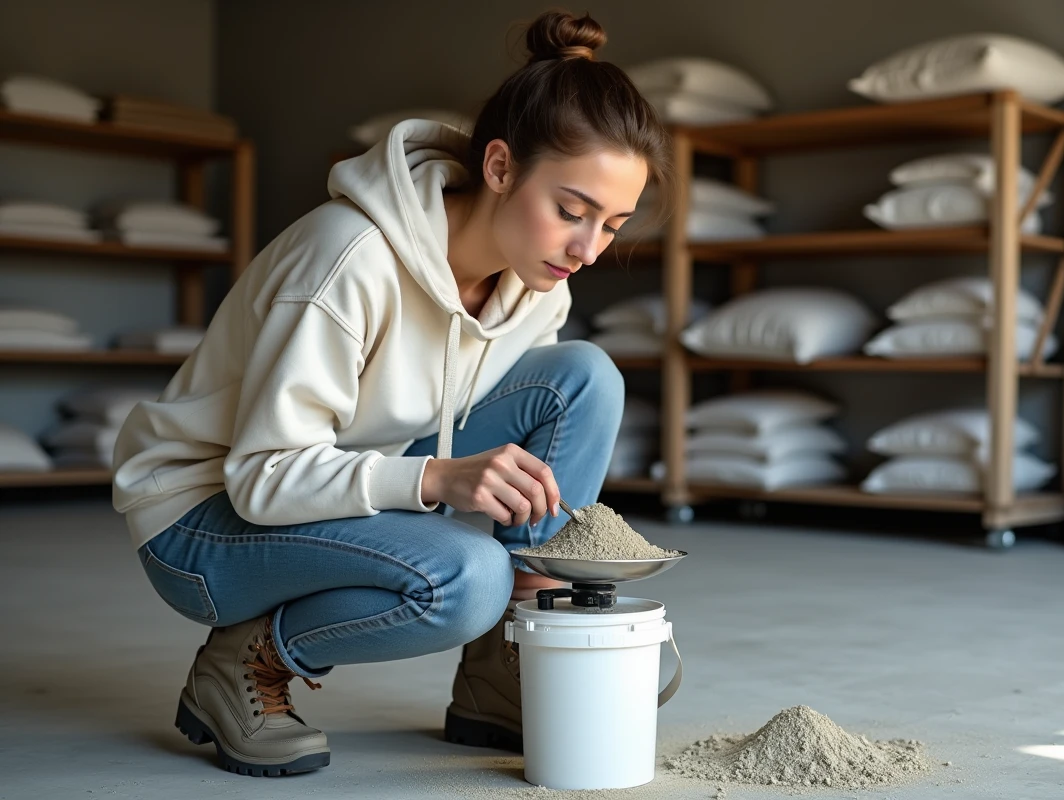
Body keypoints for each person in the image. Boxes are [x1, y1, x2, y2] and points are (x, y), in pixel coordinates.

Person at [111, 9, 674, 778]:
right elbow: (261, 476)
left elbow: (527, 422)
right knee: (465, 576)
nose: (586, 249)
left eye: (612, 225)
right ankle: (248, 662)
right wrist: (436, 479)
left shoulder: (539, 285)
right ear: (501, 167)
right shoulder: (347, 261)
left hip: (340, 475)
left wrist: (536, 581)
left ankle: (503, 666)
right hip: (206, 518)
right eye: (570, 211)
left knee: (586, 380)